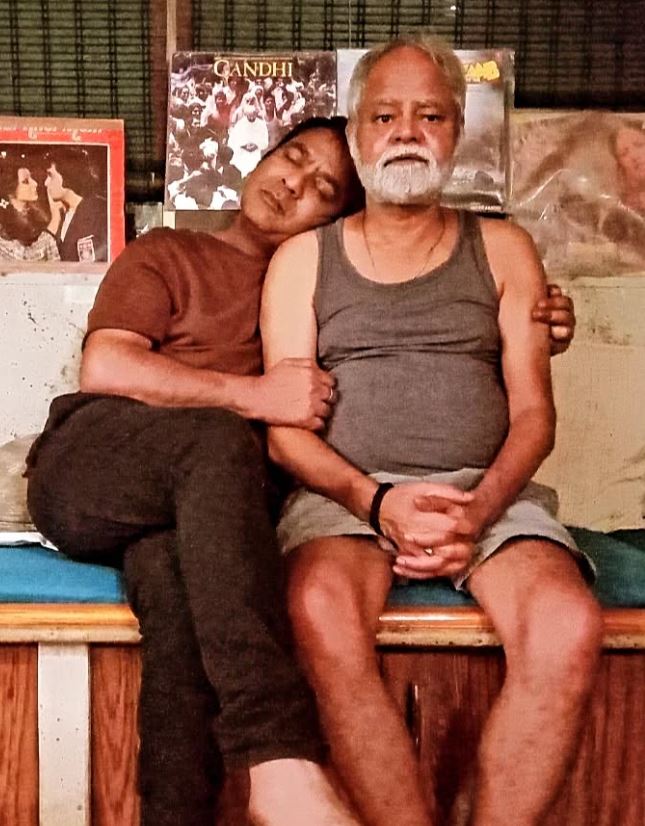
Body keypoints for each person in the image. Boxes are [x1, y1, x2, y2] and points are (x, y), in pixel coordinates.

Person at [25, 114, 575, 826]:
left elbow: (425, 342)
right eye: (293, 158)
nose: (293, 184)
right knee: (219, 441)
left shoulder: (321, 282)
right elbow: (106, 366)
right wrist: (253, 395)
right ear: (261, 159)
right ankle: (277, 758)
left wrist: (538, 319)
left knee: (176, 601)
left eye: (323, 188)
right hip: (96, 465)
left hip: (203, 513)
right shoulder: (172, 250)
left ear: (340, 218)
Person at [260, 36, 601, 826]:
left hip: (488, 497)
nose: (406, 132)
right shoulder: (303, 260)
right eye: (384, 116)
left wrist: (475, 513)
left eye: (430, 116)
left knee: (567, 623)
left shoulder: (505, 248)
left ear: (455, 134)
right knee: (315, 608)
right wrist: (377, 503)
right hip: (344, 500)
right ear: (356, 135)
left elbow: (534, 416)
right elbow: (285, 436)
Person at [45, 149, 108, 262]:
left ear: (67, 175)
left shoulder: (101, 212)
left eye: (51, 176)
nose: (46, 183)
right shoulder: (62, 214)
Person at [0, 158, 61, 261]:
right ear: (10, 190)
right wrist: (54, 223)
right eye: (26, 181)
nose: (35, 183)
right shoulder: (2, 226)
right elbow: (23, 260)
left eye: (31, 178)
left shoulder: (40, 216)